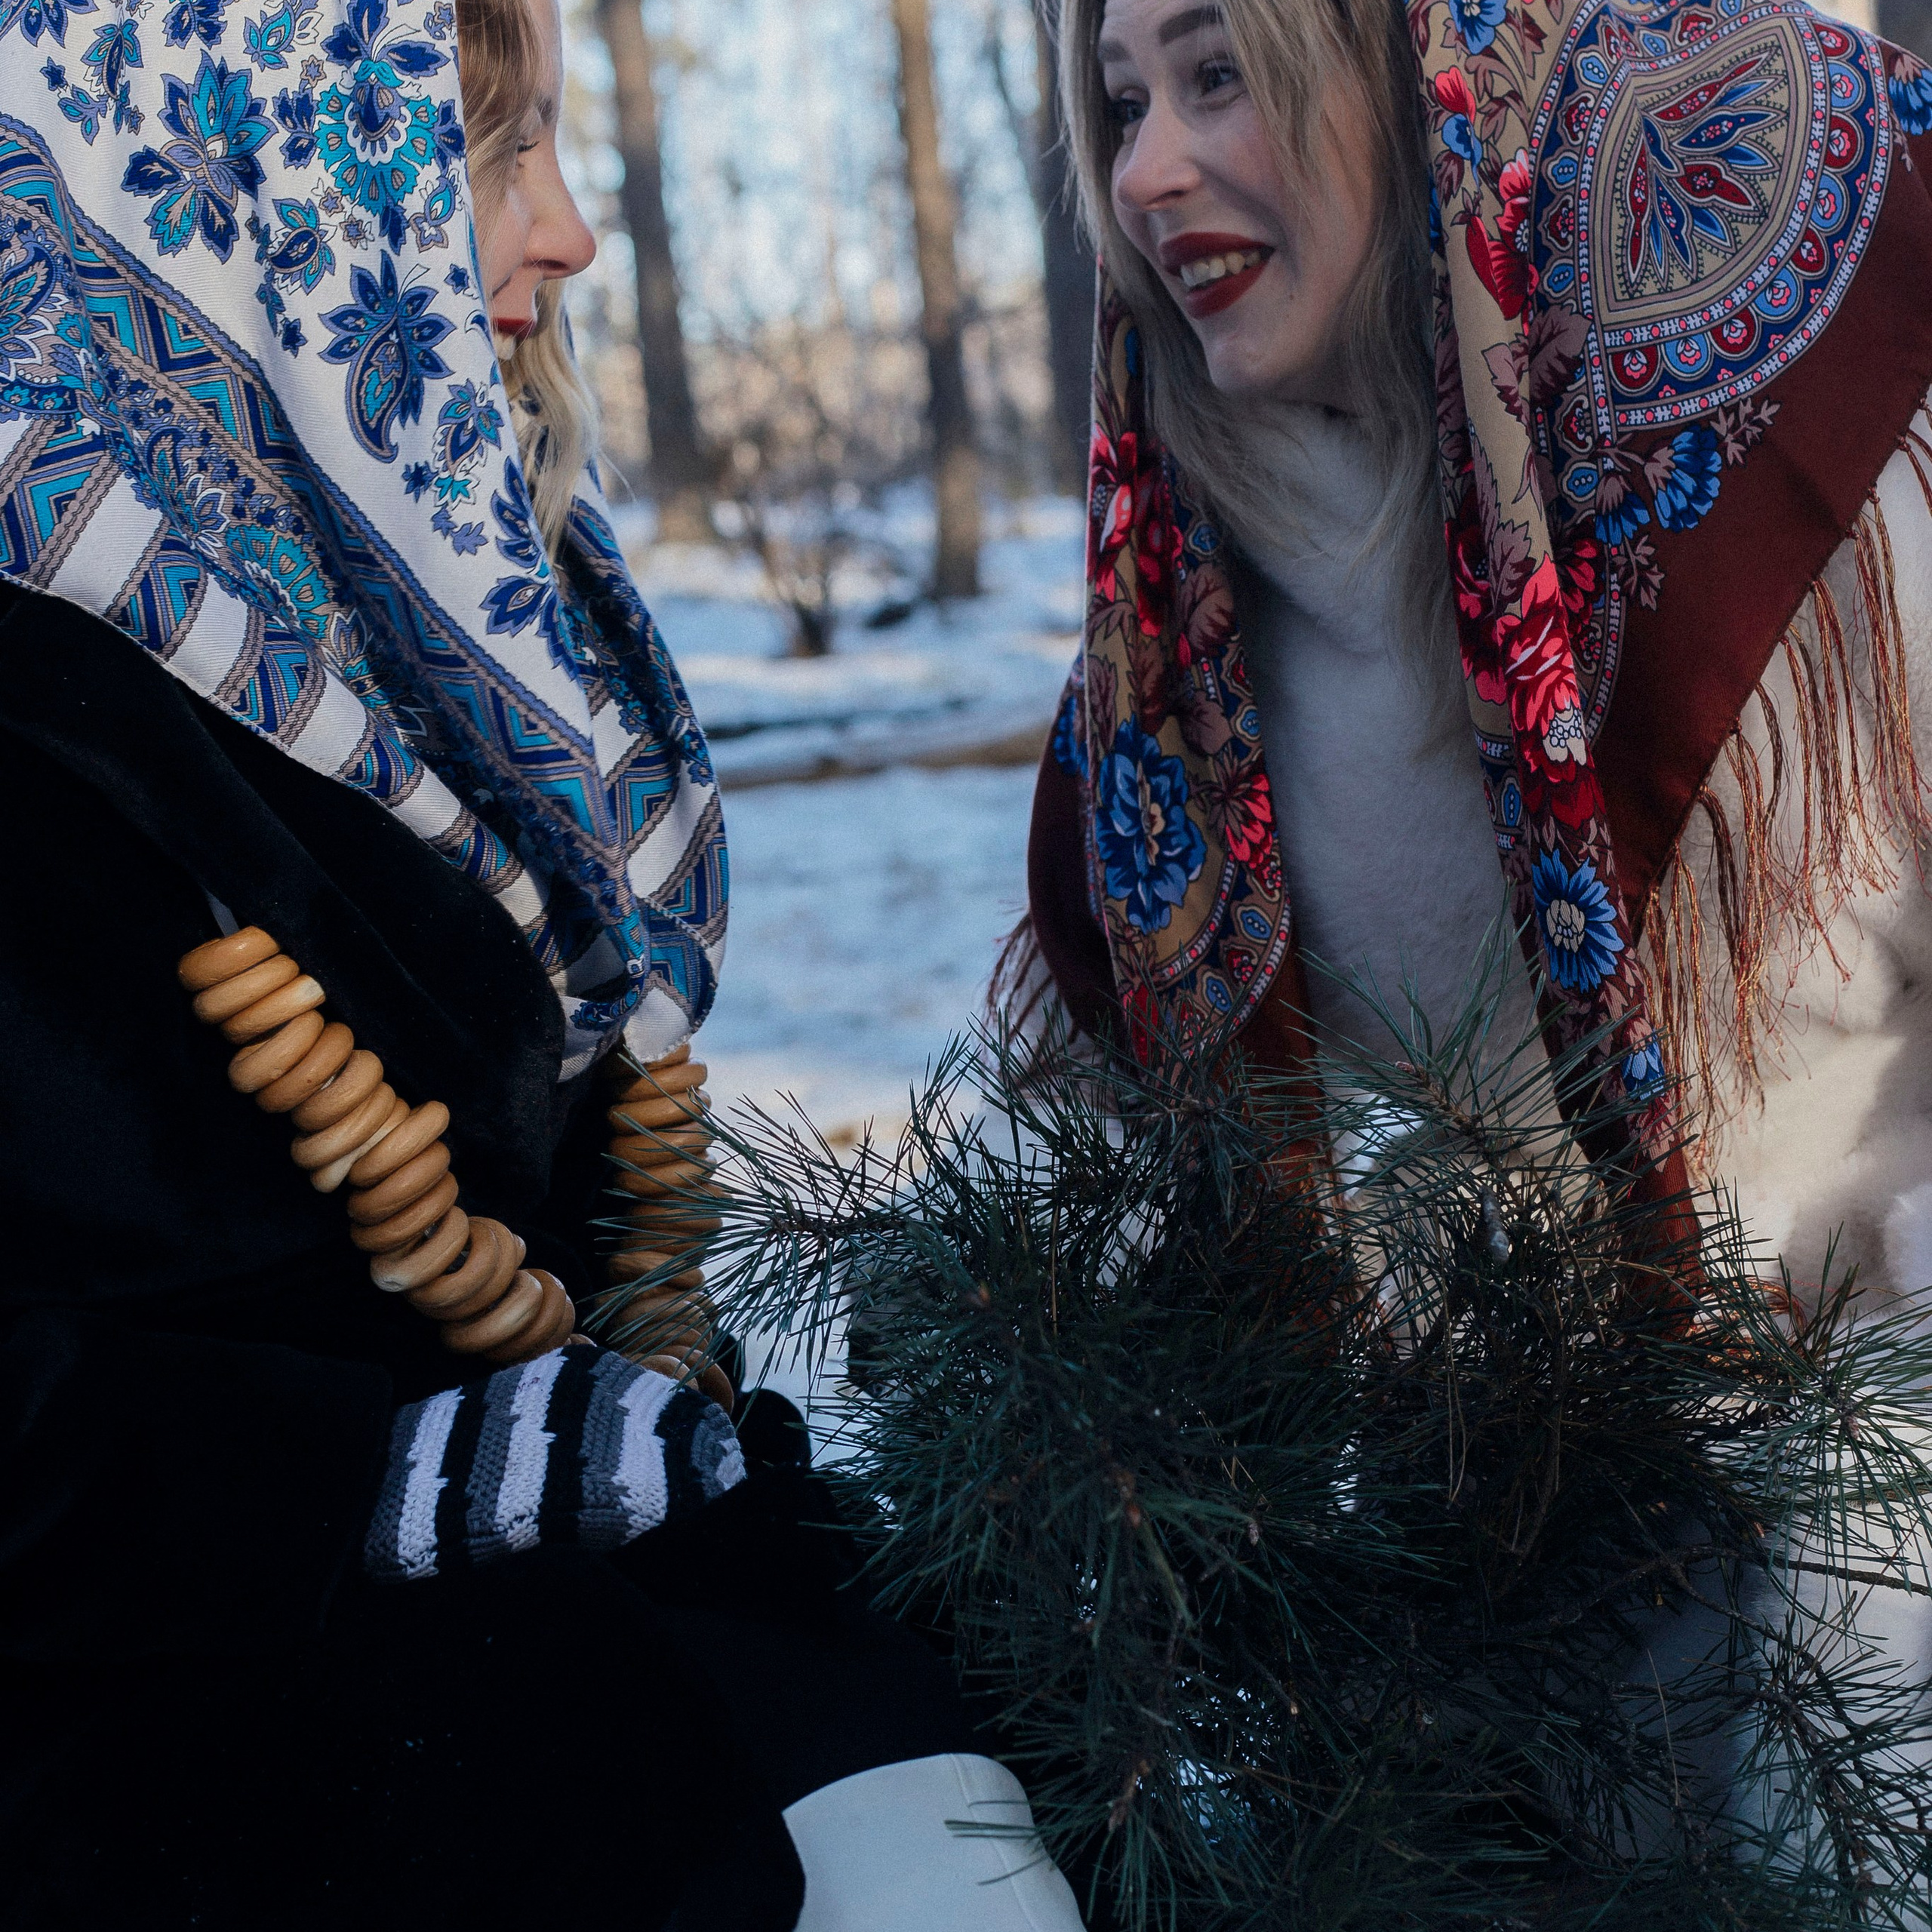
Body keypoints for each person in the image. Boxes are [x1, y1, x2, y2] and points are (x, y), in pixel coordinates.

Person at [0, 0, 1088, 1924]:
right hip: (205, 1768)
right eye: (492, 148)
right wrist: (381, 1471)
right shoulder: (37, 701)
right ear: (250, 178)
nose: (572, 230)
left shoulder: (442, 638)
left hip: (559, 1632)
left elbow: (584, 1258)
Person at [1018, 0, 1932, 1858]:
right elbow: (1167, 1162)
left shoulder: (1786, 484)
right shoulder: (1181, 622)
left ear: (1391, 78)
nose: (1147, 170)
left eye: (1216, 78)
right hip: (1501, 1585)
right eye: (1119, 105)